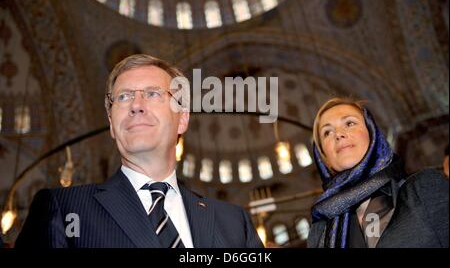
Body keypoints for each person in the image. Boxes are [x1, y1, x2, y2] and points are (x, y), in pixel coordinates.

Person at [15, 54, 263, 248]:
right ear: (112, 124)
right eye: (123, 97)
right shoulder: (64, 209)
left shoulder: (233, 223)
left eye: (153, 94)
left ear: (182, 119)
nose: (136, 105)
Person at [307, 97, 449, 248]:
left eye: (349, 123)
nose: (338, 134)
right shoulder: (320, 231)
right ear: (324, 157)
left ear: (372, 133)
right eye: (327, 132)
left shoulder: (423, 188)